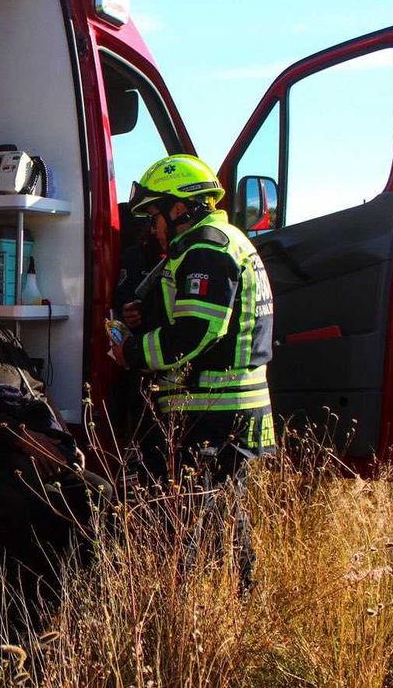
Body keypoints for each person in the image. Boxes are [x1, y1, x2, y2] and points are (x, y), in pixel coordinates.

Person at [113, 153, 275, 583]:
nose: (153, 228)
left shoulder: (206, 248)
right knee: (223, 510)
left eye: (156, 216)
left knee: (187, 520)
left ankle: (185, 600)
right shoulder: (222, 241)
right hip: (226, 405)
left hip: (213, 408)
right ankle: (239, 593)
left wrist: (132, 353)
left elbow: (196, 331)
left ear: (180, 209)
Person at [0, 253, 113, 557]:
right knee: (48, 506)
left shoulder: (5, 337)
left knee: (100, 492)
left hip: (41, 443)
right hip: (1, 452)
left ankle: (87, 576)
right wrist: (28, 442)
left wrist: (65, 439)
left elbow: (40, 391)